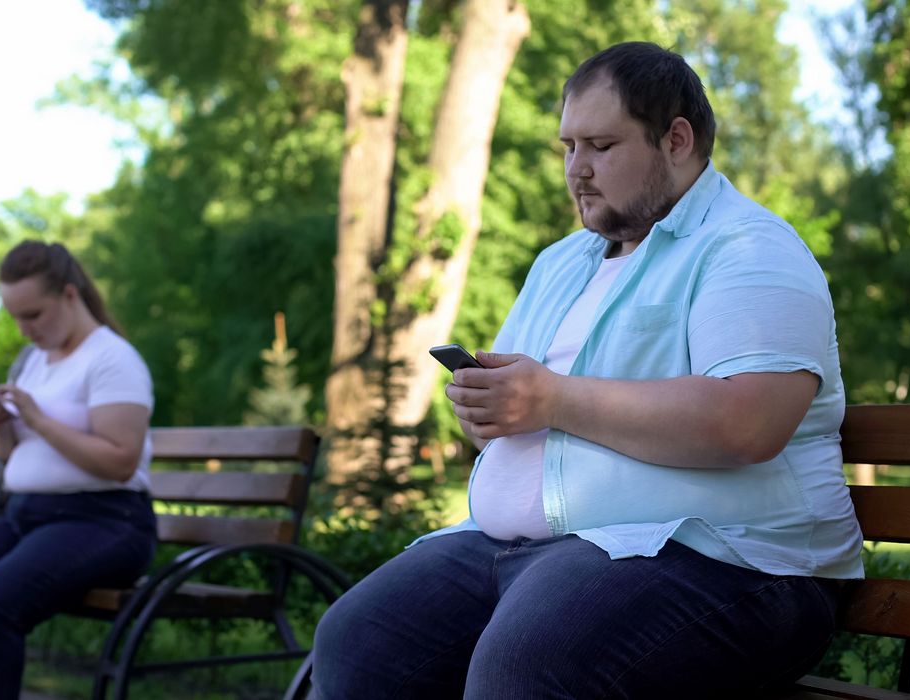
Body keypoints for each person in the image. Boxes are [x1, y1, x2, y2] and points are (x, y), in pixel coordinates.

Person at [309, 42, 864, 699]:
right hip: (524, 549)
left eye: (601, 146)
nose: (578, 170)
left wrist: (552, 400)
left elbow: (749, 424)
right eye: (568, 147)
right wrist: (492, 408)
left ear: (676, 140)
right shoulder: (561, 263)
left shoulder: (748, 247)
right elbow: (522, 413)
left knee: (528, 666)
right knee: (356, 642)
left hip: (732, 561)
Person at [0, 241, 158, 700]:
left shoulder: (113, 359)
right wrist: (3, 428)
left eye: (33, 315)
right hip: (28, 517)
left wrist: (38, 420)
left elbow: (120, 461)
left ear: (70, 296)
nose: (24, 330)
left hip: (105, 522)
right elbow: (12, 459)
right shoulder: (34, 361)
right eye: (15, 317)